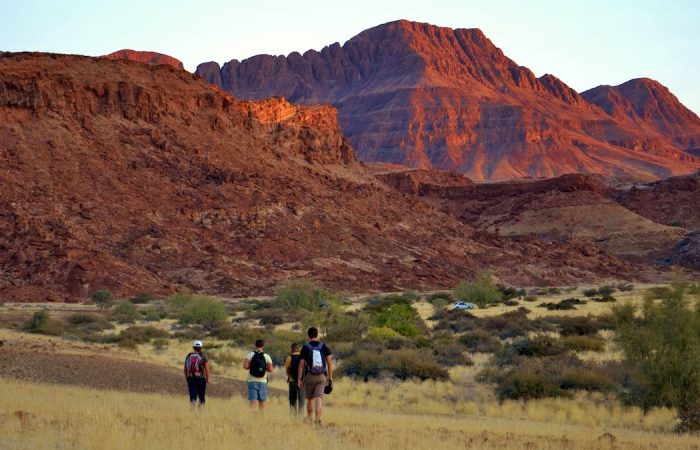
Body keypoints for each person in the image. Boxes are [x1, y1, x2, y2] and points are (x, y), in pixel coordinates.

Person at [298, 327, 333, 424]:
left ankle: (309, 418)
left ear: (308, 336)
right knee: (319, 398)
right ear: (317, 335)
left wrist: (299, 379)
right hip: (322, 376)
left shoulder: (305, 347)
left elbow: (301, 364)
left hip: (310, 375)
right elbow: (330, 363)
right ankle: (318, 419)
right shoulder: (323, 346)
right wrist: (330, 377)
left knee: (310, 399)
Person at [243, 339, 273, 410]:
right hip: (263, 381)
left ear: (255, 345)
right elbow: (271, 369)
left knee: (253, 401)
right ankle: (261, 418)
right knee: (262, 401)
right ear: (263, 346)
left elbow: (245, 366)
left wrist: (252, 366)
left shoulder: (250, 354)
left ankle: (252, 418)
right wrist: (264, 368)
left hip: (252, 380)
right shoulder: (266, 356)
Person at [183, 340, 210, 409]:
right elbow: (207, 369)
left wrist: (187, 378)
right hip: (201, 378)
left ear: (193, 347)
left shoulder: (189, 355)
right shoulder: (204, 355)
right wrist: (207, 379)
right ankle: (201, 412)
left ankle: (192, 413)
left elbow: (185, 369)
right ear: (201, 348)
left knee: (192, 396)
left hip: (191, 378)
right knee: (201, 396)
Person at [285, 343, 304, 413]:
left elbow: (287, 371)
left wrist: (290, 375)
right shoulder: (303, 357)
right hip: (302, 381)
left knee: (292, 400)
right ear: (299, 349)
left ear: (292, 349)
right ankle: (301, 416)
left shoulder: (289, 358)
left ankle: (293, 417)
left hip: (292, 381)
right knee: (301, 400)